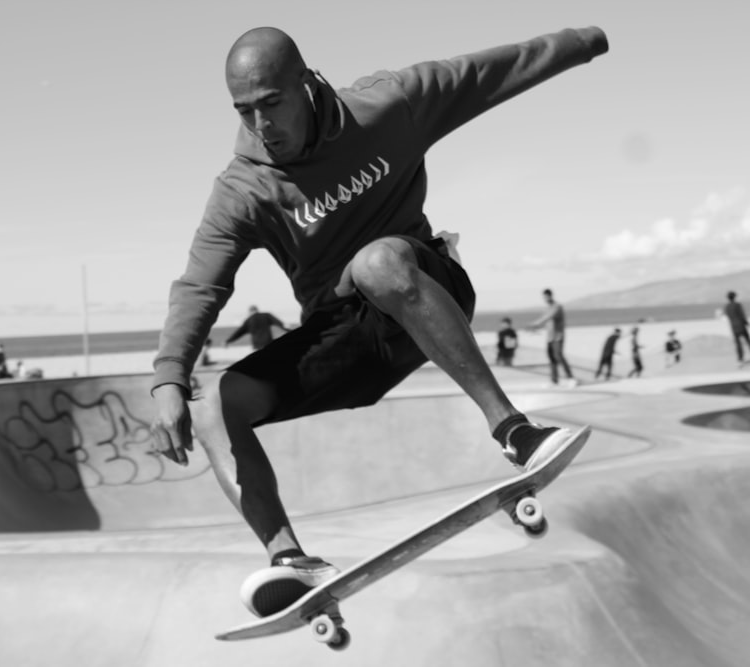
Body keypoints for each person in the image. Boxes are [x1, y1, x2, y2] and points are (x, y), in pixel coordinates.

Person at [148, 26, 607, 618]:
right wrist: (167, 378)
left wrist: (587, 40)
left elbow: (488, 73)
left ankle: (516, 433)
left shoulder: (388, 107)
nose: (261, 126)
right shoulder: (243, 189)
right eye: (244, 111)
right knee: (215, 403)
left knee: (377, 262)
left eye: (272, 104)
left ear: (307, 83)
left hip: (425, 288)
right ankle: (291, 560)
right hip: (348, 341)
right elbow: (200, 284)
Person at [526, 289, 578, 387]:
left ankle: (571, 378)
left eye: (546, 296)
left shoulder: (557, 307)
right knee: (551, 358)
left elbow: (548, 317)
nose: (545, 299)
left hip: (558, 336)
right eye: (544, 297)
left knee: (559, 356)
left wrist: (535, 323)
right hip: (549, 337)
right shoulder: (547, 308)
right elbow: (545, 321)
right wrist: (535, 328)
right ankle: (554, 380)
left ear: (550, 296)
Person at [224, 306, 293, 350]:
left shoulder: (249, 320)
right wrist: (290, 331)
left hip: (257, 345)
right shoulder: (266, 315)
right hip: (268, 343)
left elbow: (239, 332)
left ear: (250, 311)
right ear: (257, 310)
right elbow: (280, 324)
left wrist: (228, 341)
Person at [723, 291, 750, 365]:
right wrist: (746, 323)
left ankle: (740, 358)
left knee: (738, 343)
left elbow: (728, 316)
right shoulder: (737, 305)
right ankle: (741, 358)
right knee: (748, 341)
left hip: (734, 327)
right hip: (741, 325)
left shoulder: (727, 306)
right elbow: (741, 315)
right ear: (734, 297)